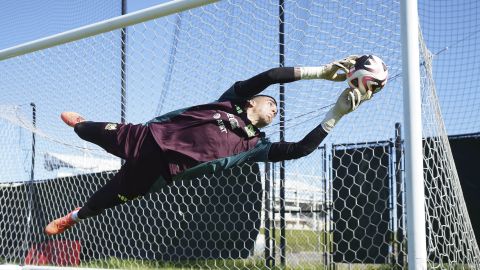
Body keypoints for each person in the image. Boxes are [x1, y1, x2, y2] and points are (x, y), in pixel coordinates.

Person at [45, 55, 373, 236]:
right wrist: (322, 72)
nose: (275, 109)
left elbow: (301, 149)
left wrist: (337, 113)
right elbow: (272, 75)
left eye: (277, 110)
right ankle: (82, 123)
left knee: (101, 202)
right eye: (270, 103)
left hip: (159, 172)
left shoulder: (255, 146)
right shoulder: (230, 102)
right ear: (249, 103)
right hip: (145, 138)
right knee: (87, 130)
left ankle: (72, 217)